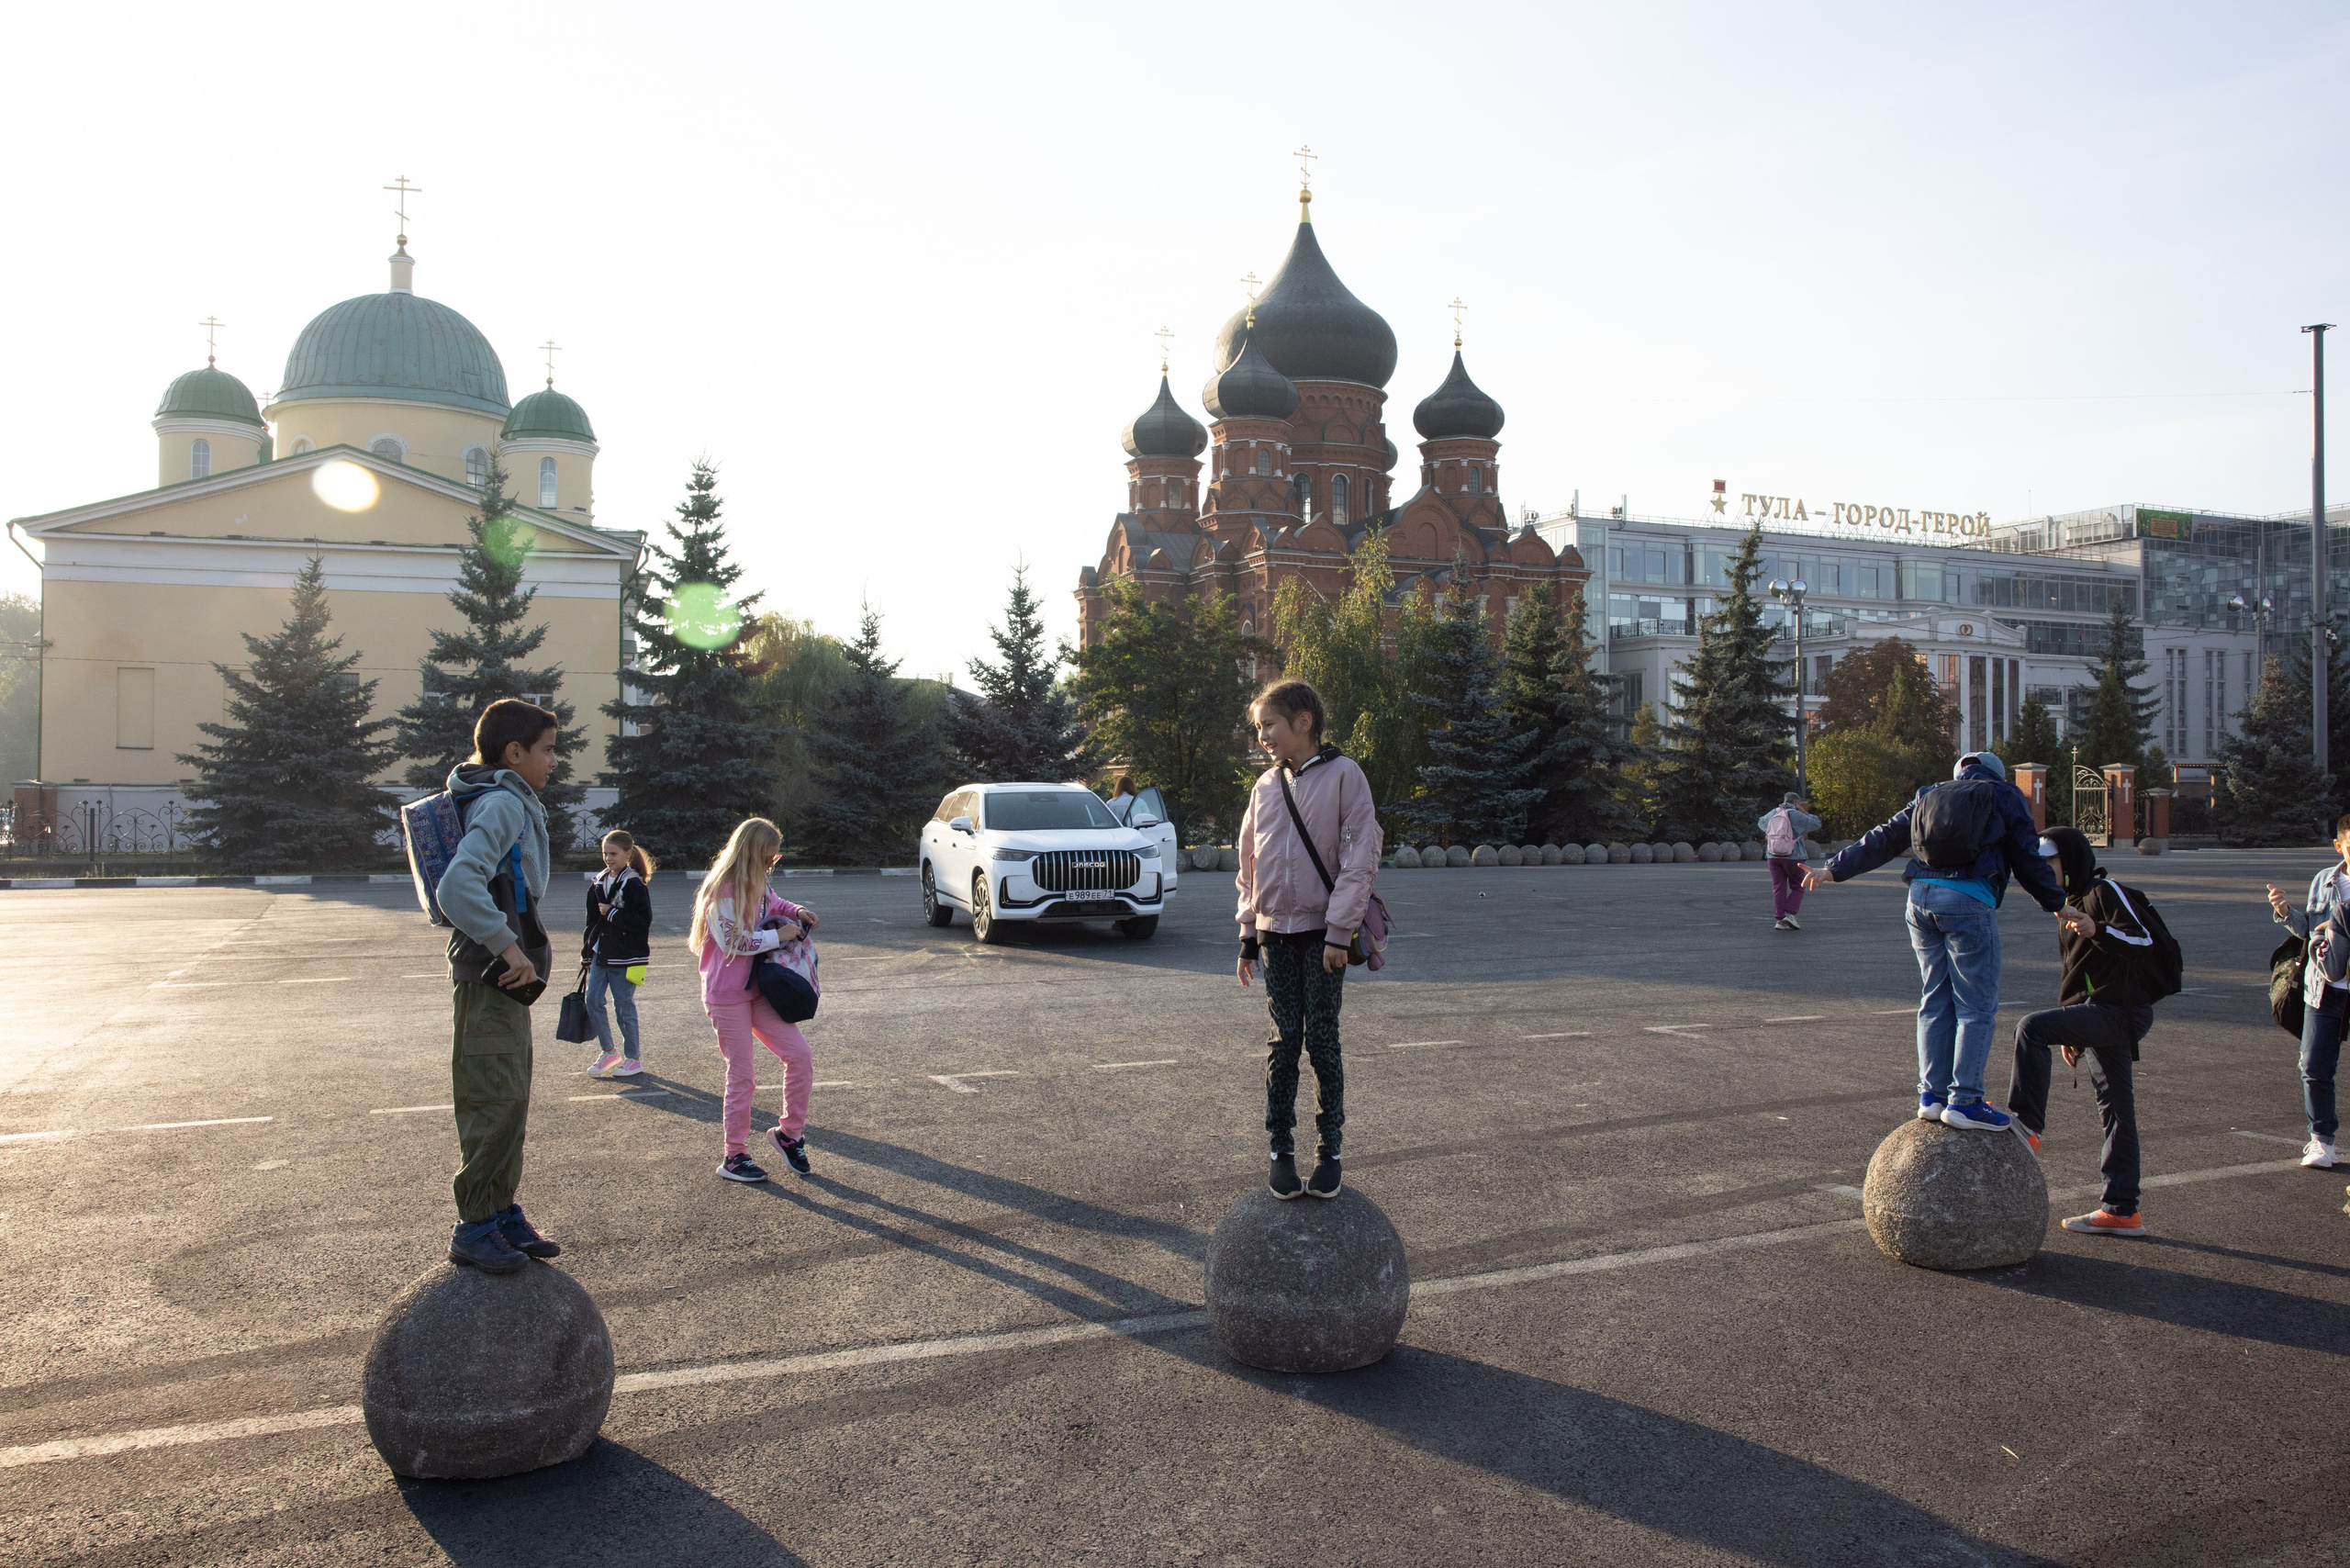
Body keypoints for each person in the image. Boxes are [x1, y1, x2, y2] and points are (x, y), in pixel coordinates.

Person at [1805, 750, 2089, 1131]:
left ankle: (1932, 1096)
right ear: (1997, 774)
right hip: (1968, 900)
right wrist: (2056, 903)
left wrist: (1834, 869)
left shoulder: (1931, 794)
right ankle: (1966, 1101)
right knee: (1976, 1004)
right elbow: (2026, 854)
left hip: (1919, 898)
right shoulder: (2003, 795)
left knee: (1935, 997)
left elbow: (1886, 836)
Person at [1235, 679, 1382, 1200]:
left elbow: (1360, 857)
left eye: (1268, 725)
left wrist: (1340, 932)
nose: (1262, 738)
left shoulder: (1345, 776)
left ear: (1303, 722)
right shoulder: (1265, 787)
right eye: (1258, 729)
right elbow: (1250, 862)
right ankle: (1280, 1149)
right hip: (1276, 934)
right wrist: (1249, 933)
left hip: (1325, 937)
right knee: (1283, 1042)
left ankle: (1329, 1150)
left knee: (1321, 1040)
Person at [436, 699, 562, 1272]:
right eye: (548, 750)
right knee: (491, 1099)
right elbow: (457, 888)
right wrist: (509, 947)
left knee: (509, 1099)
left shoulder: (505, 800)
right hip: (490, 975)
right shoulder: (501, 803)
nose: (554, 762)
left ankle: (501, 1211)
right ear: (516, 753)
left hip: (504, 982)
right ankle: (476, 1226)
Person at [2008, 826, 2157, 1238]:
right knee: (2116, 1109)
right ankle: (2122, 1210)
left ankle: (2026, 1126)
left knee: (2031, 1029)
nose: (2042, 869)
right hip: (2098, 1013)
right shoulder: (2068, 905)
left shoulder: (2105, 892)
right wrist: (2073, 1023)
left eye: (2049, 862)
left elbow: (2144, 941)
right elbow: (2076, 974)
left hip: (2123, 1011)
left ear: (2070, 860)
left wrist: (2099, 929)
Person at [692, 817, 820, 1182]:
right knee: (743, 1075)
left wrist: (795, 911)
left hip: (758, 989)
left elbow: (774, 902)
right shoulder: (722, 889)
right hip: (726, 994)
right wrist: (781, 936)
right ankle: (734, 1156)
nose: (771, 863)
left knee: (800, 1056)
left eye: (775, 859)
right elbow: (735, 942)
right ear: (750, 852)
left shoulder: (758, 880)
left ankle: (789, 1136)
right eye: (768, 857)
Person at [2265, 813, 2350, 1171]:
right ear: (2339, 846)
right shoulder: (2323, 882)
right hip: (2324, 989)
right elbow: (2309, 933)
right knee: (2314, 1065)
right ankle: (2321, 1141)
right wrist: (2285, 912)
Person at [586, 830, 657, 1078]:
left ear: (628, 854)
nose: (608, 858)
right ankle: (609, 1051)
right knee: (592, 1000)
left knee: (623, 1007)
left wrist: (612, 913)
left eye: (613, 853)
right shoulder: (598, 881)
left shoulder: (634, 884)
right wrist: (587, 951)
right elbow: (592, 919)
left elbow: (643, 921)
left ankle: (634, 1058)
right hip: (601, 952)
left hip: (626, 956)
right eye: (605, 853)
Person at [1759, 791, 1823, 930]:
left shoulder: (1774, 812)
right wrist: (1805, 812)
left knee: (1778, 886)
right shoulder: (1796, 814)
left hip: (1773, 855)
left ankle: (1779, 919)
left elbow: (1761, 822)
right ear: (1797, 803)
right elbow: (1817, 823)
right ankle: (1790, 914)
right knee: (1798, 885)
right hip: (1794, 856)